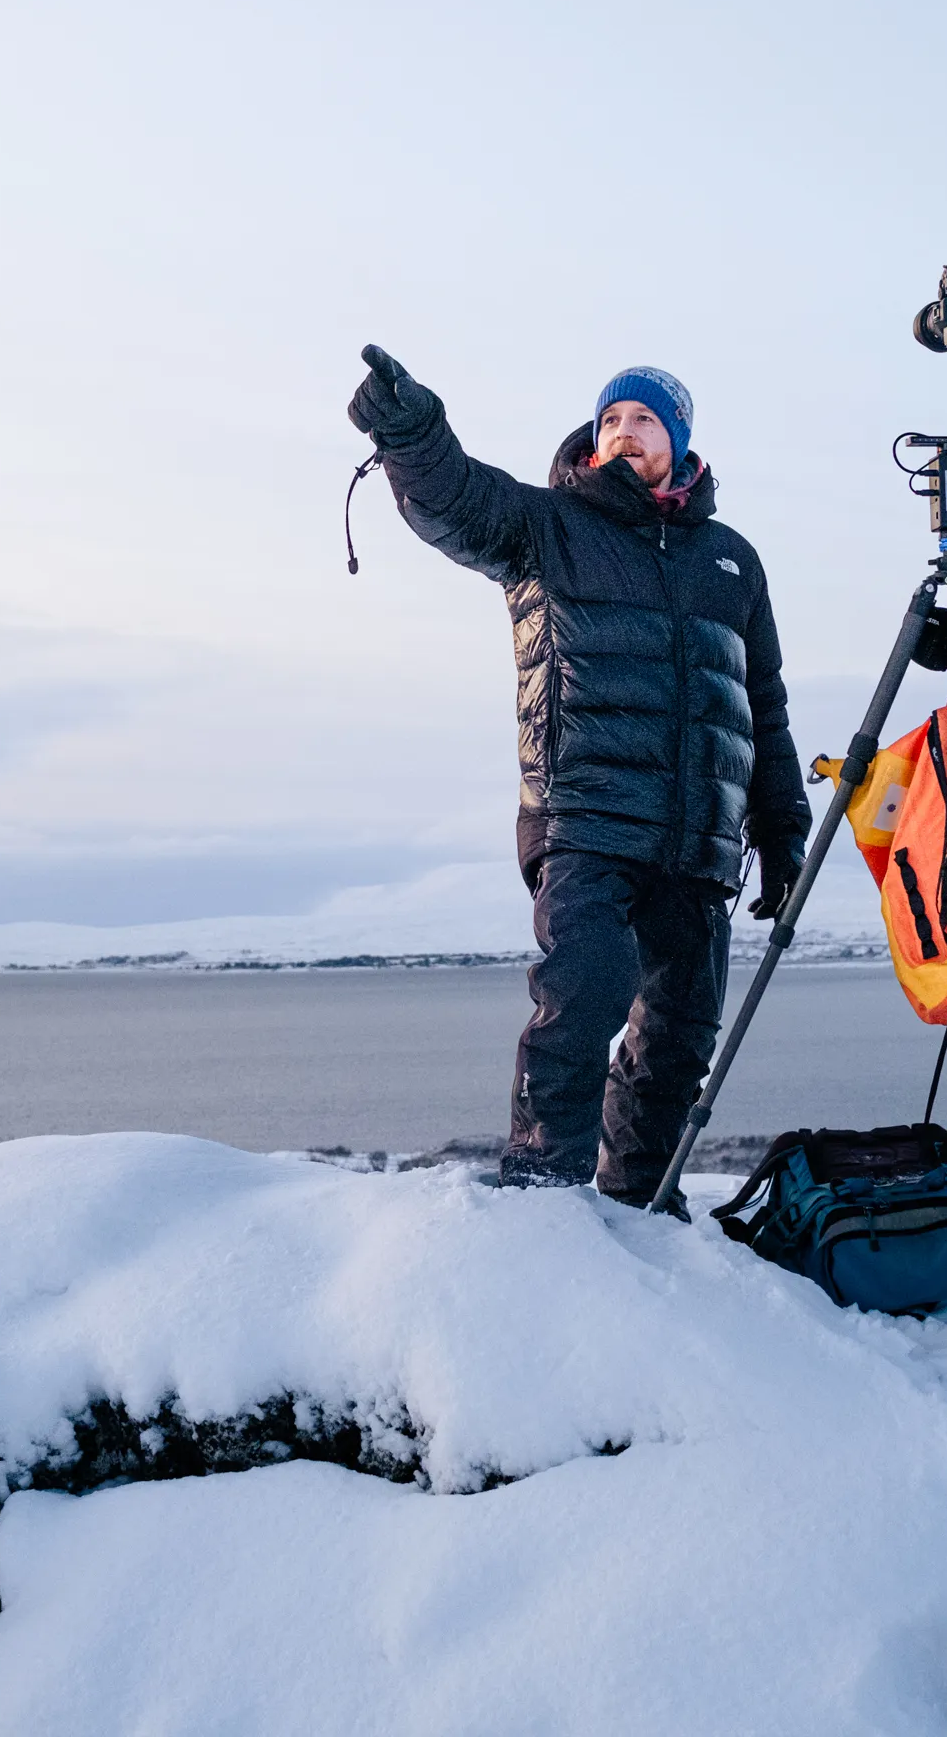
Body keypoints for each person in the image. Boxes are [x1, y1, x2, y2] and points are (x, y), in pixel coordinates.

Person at [345, 346, 810, 1206]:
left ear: (678, 440)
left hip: (698, 841)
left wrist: (783, 833)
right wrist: (411, 429)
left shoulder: (731, 559)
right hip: (586, 818)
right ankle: (541, 1194)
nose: (625, 434)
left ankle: (640, 1201)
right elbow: (455, 498)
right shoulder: (550, 526)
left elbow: (762, 704)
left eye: (643, 420)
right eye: (610, 422)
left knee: (678, 1037)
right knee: (585, 996)